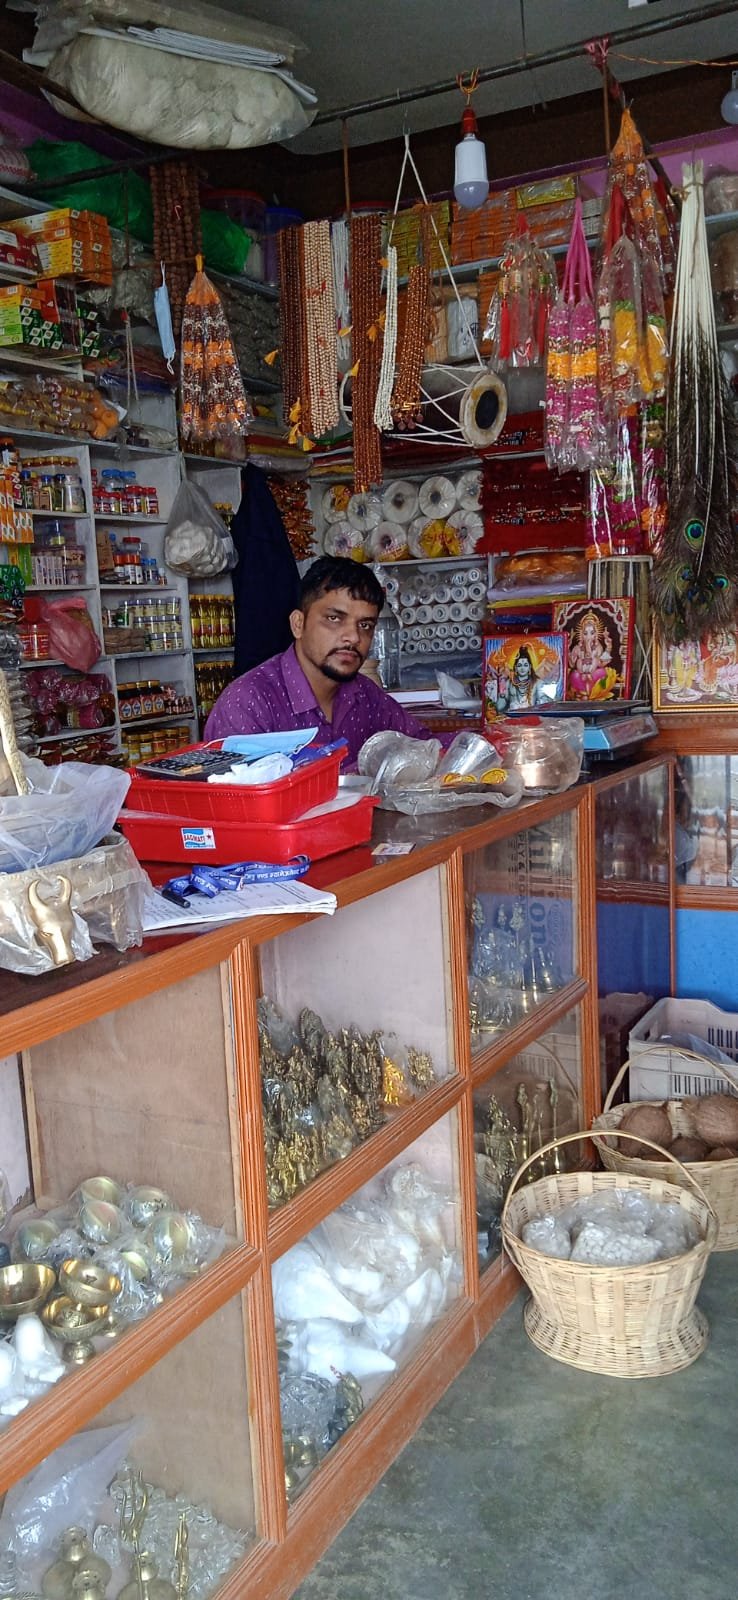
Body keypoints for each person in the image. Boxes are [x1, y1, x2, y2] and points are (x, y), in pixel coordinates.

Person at [204, 555, 438, 764]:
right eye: (334, 618)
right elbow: (231, 794)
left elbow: (424, 746)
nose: (353, 637)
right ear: (298, 624)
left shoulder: (365, 695)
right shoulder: (247, 703)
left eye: (365, 625)